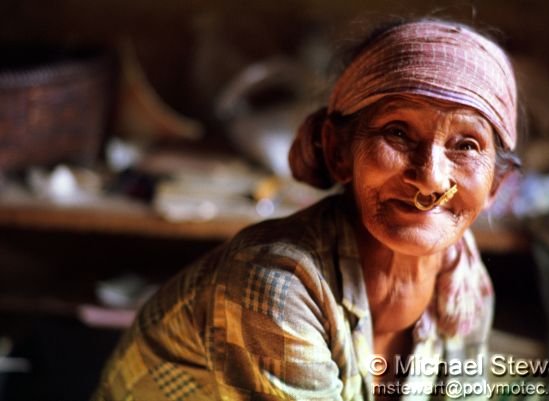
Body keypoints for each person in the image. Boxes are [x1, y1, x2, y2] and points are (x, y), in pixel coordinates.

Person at [93, 19, 520, 400]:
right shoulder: (275, 284)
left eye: (467, 145)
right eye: (397, 132)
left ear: (495, 186)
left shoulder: (463, 283)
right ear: (338, 152)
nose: (430, 177)